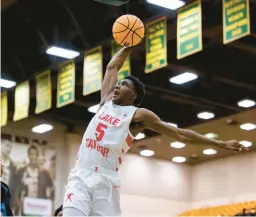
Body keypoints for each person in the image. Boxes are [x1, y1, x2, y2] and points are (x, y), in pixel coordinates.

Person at [62, 45, 246, 216]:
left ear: (133, 95)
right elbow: (112, 67)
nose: (118, 85)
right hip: (81, 173)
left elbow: (180, 134)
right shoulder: (105, 102)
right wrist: (130, 45)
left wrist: (219, 143)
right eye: (119, 83)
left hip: (106, 180)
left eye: (124, 84)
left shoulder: (138, 115)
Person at [15, 145, 54, 215]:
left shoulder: (44, 173)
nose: (34, 156)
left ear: (38, 156)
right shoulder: (21, 172)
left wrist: (49, 205)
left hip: (40, 209)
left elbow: (51, 189)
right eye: (31, 154)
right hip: (25, 209)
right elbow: (16, 192)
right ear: (28, 155)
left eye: (36, 154)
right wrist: (19, 205)